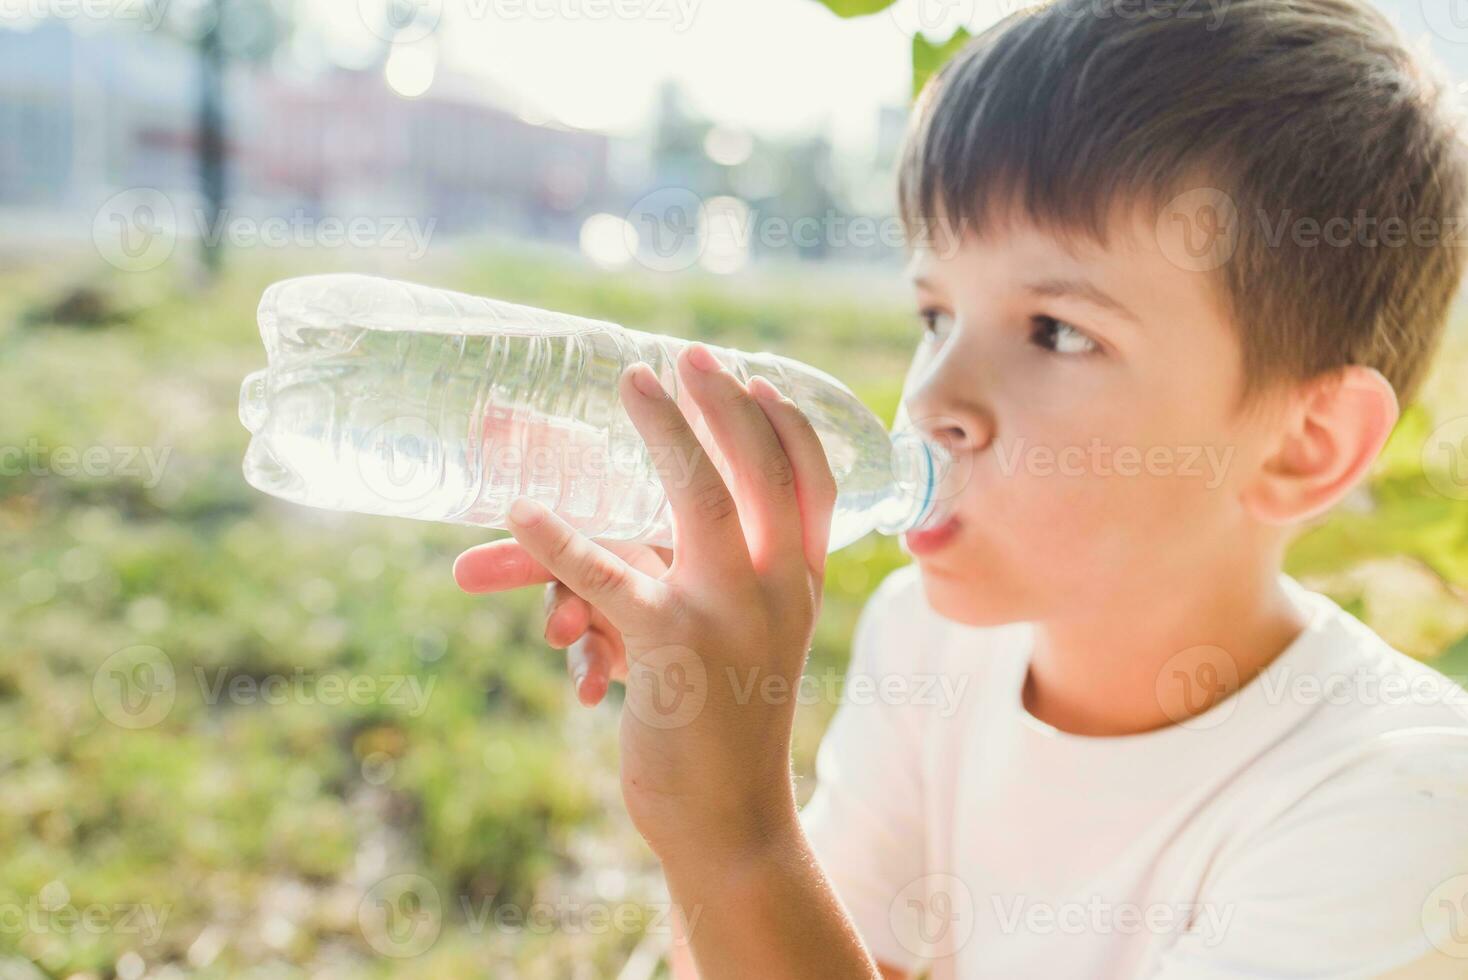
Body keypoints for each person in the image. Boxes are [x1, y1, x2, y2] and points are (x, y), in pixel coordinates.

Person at [452, 1, 1468, 975]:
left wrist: (735, 832)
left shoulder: (1399, 797)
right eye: (935, 314)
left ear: (1304, 445)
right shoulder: (932, 644)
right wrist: (706, 809)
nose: (934, 396)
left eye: (1058, 331)